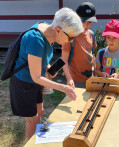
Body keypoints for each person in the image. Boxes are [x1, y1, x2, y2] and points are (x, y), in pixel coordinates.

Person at [9, 7, 84, 139]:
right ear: (58, 30)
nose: (71, 41)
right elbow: (36, 76)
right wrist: (63, 88)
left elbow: (39, 56)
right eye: (71, 37)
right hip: (24, 83)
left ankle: (36, 140)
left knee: (39, 112)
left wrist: (48, 66)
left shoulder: (49, 31)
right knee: (32, 120)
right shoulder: (35, 39)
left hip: (35, 80)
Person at [62, 2, 97, 89]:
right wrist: (69, 79)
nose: (86, 25)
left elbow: (92, 54)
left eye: (89, 22)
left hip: (90, 78)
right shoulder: (70, 36)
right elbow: (64, 60)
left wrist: (95, 72)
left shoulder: (92, 35)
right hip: (75, 80)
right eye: (83, 21)